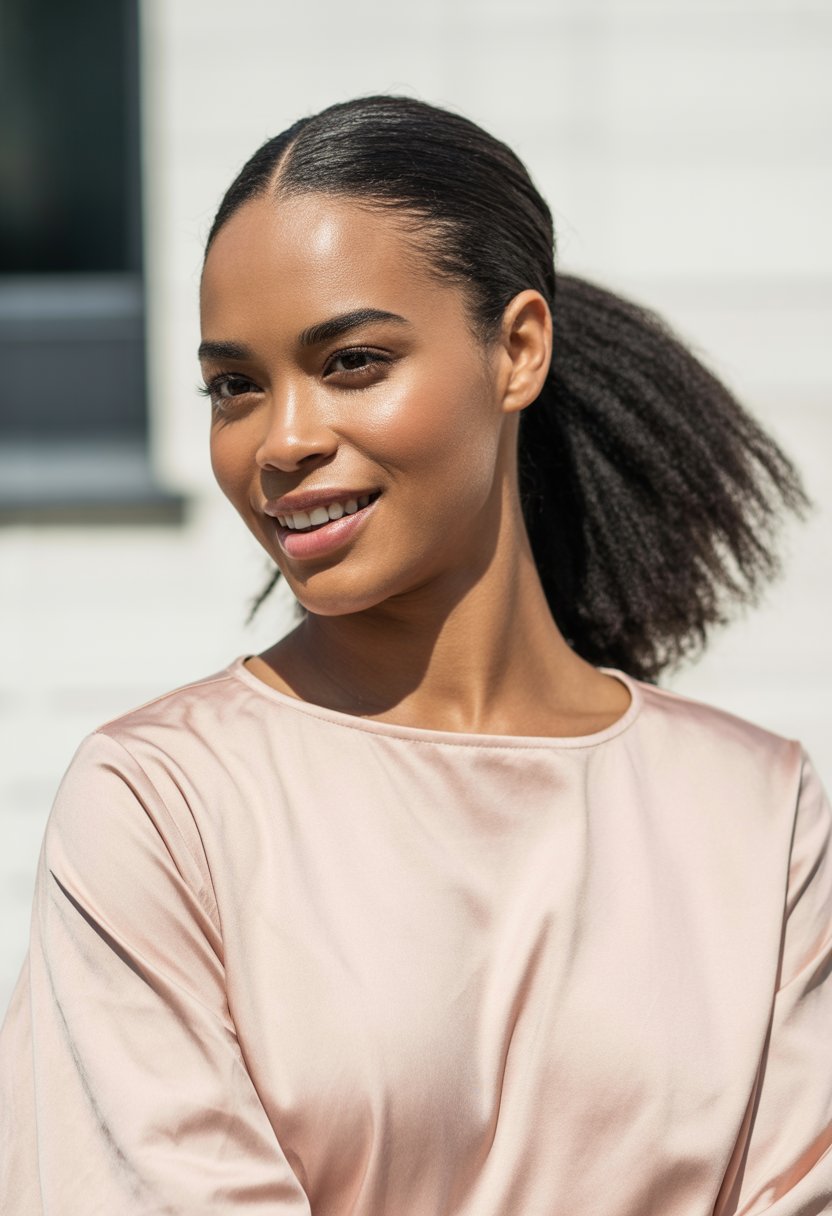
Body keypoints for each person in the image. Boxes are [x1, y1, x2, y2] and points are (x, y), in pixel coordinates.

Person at [1, 94, 829, 1215]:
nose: (280, 439)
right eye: (234, 385)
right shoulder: (160, 805)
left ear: (518, 349)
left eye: (349, 361)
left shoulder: (761, 814)